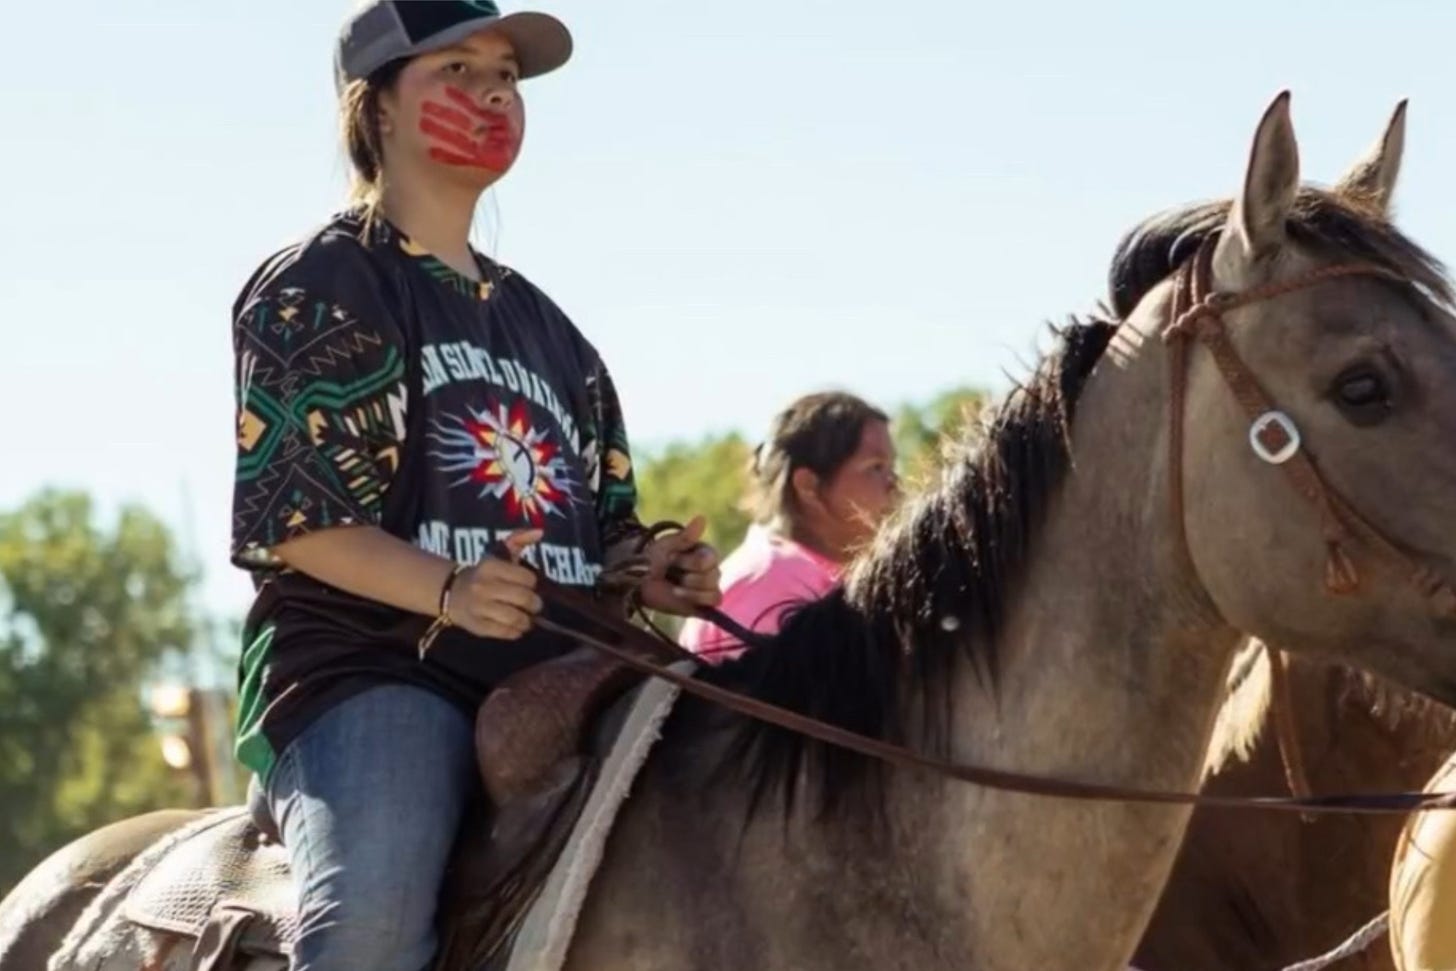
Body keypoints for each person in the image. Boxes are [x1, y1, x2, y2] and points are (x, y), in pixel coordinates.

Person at [227, 4, 721, 970]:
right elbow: (299, 522)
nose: (494, 91)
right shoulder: (326, 283)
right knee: (367, 930)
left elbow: (598, 527)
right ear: (375, 110)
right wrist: (451, 592)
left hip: (569, 679)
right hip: (379, 674)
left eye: (504, 72)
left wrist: (647, 568)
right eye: (455, 70)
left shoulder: (552, 330)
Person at [678, 391, 899, 661]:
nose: (894, 482)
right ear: (809, 486)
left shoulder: (814, 575)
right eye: (875, 467)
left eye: (891, 466)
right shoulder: (772, 582)